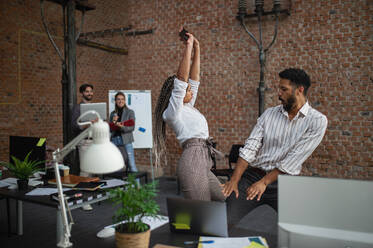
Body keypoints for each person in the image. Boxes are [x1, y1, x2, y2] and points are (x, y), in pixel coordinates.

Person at [222, 68, 328, 224]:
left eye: (284, 89)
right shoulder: (269, 114)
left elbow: (293, 159)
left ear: (299, 90)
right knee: (225, 221)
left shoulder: (317, 121)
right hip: (253, 176)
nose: (279, 93)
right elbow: (250, 148)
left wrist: (264, 183)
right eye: (279, 88)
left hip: (285, 182)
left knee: (298, 228)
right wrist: (234, 180)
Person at [154, 30, 225, 202]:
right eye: (187, 90)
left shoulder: (188, 107)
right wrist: (188, 46)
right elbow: (182, 79)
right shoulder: (172, 113)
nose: (191, 91)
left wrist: (198, 48)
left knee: (222, 199)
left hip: (203, 161)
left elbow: (195, 78)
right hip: (192, 160)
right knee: (201, 211)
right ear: (175, 94)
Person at [72, 83, 97, 211]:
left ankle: (88, 196)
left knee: (91, 170)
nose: (90, 93)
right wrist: (88, 124)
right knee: (85, 170)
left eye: (91, 91)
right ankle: (81, 199)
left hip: (94, 141)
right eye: (87, 91)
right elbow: (74, 125)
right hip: (84, 141)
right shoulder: (78, 107)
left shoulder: (94, 108)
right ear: (82, 93)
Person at [109, 92, 138, 175]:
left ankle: (137, 187)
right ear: (115, 101)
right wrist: (114, 122)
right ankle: (120, 186)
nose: (120, 101)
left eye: (122, 99)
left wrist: (121, 126)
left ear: (125, 101)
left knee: (131, 164)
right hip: (115, 140)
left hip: (125, 140)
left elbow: (132, 127)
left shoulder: (130, 112)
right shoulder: (112, 113)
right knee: (116, 165)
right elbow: (111, 129)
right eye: (118, 99)